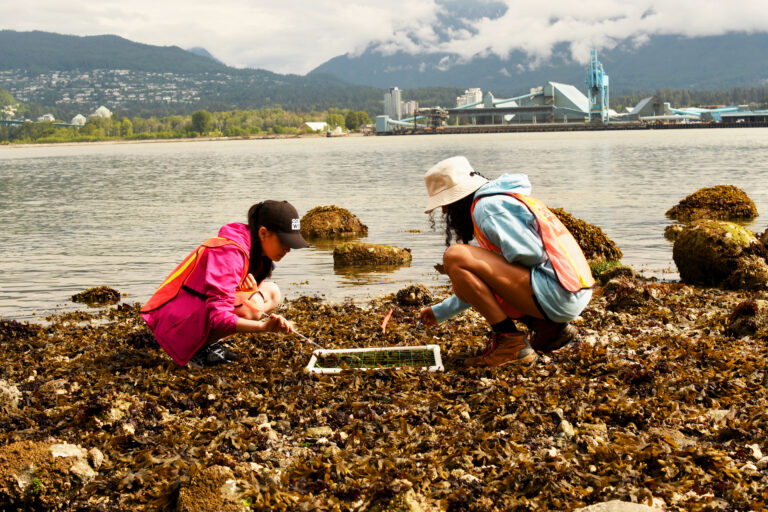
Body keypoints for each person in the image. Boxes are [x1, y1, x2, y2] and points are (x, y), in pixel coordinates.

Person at [417, 156, 594, 367]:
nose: (445, 211)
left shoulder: (487, 207)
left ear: (458, 198)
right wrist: (441, 311)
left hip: (557, 294)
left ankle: (510, 342)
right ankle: (549, 328)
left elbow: (530, 254)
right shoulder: (501, 198)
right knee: (468, 263)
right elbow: (483, 281)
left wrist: (495, 269)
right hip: (570, 291)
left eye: (445, 204)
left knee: (455, 256)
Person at [141, 200, 309, 366]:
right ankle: (196, 350)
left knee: (272, 292)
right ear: (263, 233)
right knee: (254, 305)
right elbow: (218, 317)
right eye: (284, 241)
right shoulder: (230, 252)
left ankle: (207, 343)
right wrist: (262, 327)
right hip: (175, 326)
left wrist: (248, 292)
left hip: (191, 315)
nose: (288, 249)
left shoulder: (256, 249)